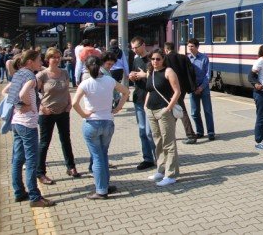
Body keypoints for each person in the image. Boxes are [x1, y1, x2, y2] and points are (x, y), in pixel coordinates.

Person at [72, 56, 129, 199]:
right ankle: (105, 184)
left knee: (97, 157)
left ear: (86, 67)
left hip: (92, 123)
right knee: (103, 155)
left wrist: (84, 114)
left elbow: (74, 103)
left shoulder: (85, 84)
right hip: (108, 122)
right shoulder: (110, 80)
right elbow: (126, 91)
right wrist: (118, 108)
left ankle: (101, 190)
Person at [7, 50, 56, 207]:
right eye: (38, 60)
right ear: (30, 62)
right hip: (28, 124)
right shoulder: (31, 77)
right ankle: (35, 198)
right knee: (31, 161)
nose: (41, 62)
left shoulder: (18, 74)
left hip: (16, 123)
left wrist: (19, 105)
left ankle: (19, 192)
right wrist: (26, 104)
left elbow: (7, 92)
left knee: (17, 159)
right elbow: (21, 94)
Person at [35, 48, 80, 185]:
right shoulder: (42, 75)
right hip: (47, 113)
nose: (56, 59)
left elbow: (66, 90)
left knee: (66, 140)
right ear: (48, 59)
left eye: (58, 56)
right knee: (44, 143)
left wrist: (69, 103)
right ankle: (40, 172)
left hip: (63, 112)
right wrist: (41, 107)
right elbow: (33, 95)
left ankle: (71, 167)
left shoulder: (65, 73)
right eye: (53, 57)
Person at [145, 49, 181, 186]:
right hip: (151, 111)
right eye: (153, 59)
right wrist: (145, 106)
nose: (155, 61)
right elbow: (150, 90)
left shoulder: (168, 71)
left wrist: (168, 108)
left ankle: (171, 175)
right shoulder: (151, 72)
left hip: (164, 111)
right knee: (158, 142)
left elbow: (177, 91)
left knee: (169, 143)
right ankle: (161, 169)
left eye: (158, 59)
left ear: (163, 59)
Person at [128, 36, 156, 170]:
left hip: (151, 100)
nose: (134, 50)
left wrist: (146, 75)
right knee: (142, 131)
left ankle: (158, 157)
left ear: (143, 45)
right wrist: (131, 76)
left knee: (151, 132)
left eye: (136, 47)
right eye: (132, 48)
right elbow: (134, 77)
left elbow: (160, 77)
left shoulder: (153, 59)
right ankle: (148, 158)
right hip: (139, 98)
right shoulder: (136, 60)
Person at [164, 41, 198, 144]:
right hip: (182, 88)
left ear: (166, 49)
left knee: (181, 110)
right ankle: (169, 133)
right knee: (175, 109)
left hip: (172, 89)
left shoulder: (166, 59)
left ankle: (190, 135)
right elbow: (191, 72)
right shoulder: (184, 57)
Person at [187, 38, 215, 140]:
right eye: (189, 46)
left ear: (197, 47)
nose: (190, 48)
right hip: (193, 89)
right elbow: (187, 75)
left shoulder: (204, 58)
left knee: (207, 111)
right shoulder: (187, 59)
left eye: (192, 46)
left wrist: (201, 87)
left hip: (204, 89)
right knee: (194, 112)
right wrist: (193, 88)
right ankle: (199, 131)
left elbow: (207, 75)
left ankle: (211, 132)